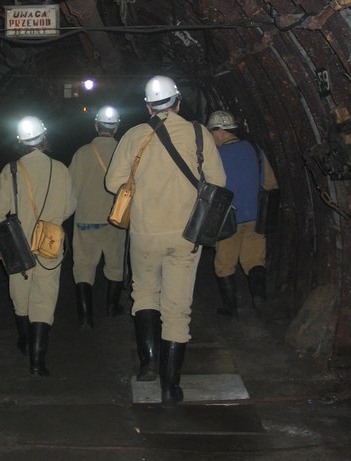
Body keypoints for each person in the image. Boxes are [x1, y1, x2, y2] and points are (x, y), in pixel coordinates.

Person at [105, 76, 226, 407]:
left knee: (144, 293)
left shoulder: (133, 135)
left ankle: (147, 364)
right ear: (178, 102)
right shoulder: (200, 134)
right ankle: (171, 387)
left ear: (147, 106)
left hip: (144, 232)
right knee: (177, 308)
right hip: (187, 234)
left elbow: (113, 182)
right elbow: (218, 182)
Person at [0, 115, 76, 377]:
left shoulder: (11, 170)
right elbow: (70, 207)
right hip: (49, 244)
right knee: (44, 301)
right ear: (44, 138)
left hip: (17, 245)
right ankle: (38, 362)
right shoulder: (60, 168)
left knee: (21, 299)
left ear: (19, 142)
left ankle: (24, 343)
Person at [206, 110, 279, 319]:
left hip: (228, 220)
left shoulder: (215, 157)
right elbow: (270, 183)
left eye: (212, 132)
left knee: (224, 263)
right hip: (256, 217)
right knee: (255, 259)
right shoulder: (255, 150)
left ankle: (231, 307)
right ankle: (259, 299)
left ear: (219, 132)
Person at [68, 106, 127, 329]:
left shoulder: (82, 153)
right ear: (117, 127)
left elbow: (71, 189)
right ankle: (112, 307)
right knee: (115, 265)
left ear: (96, 126)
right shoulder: (125, 152)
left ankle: (85, 318)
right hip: (116, 220)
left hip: (85, 220)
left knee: (83, 267)